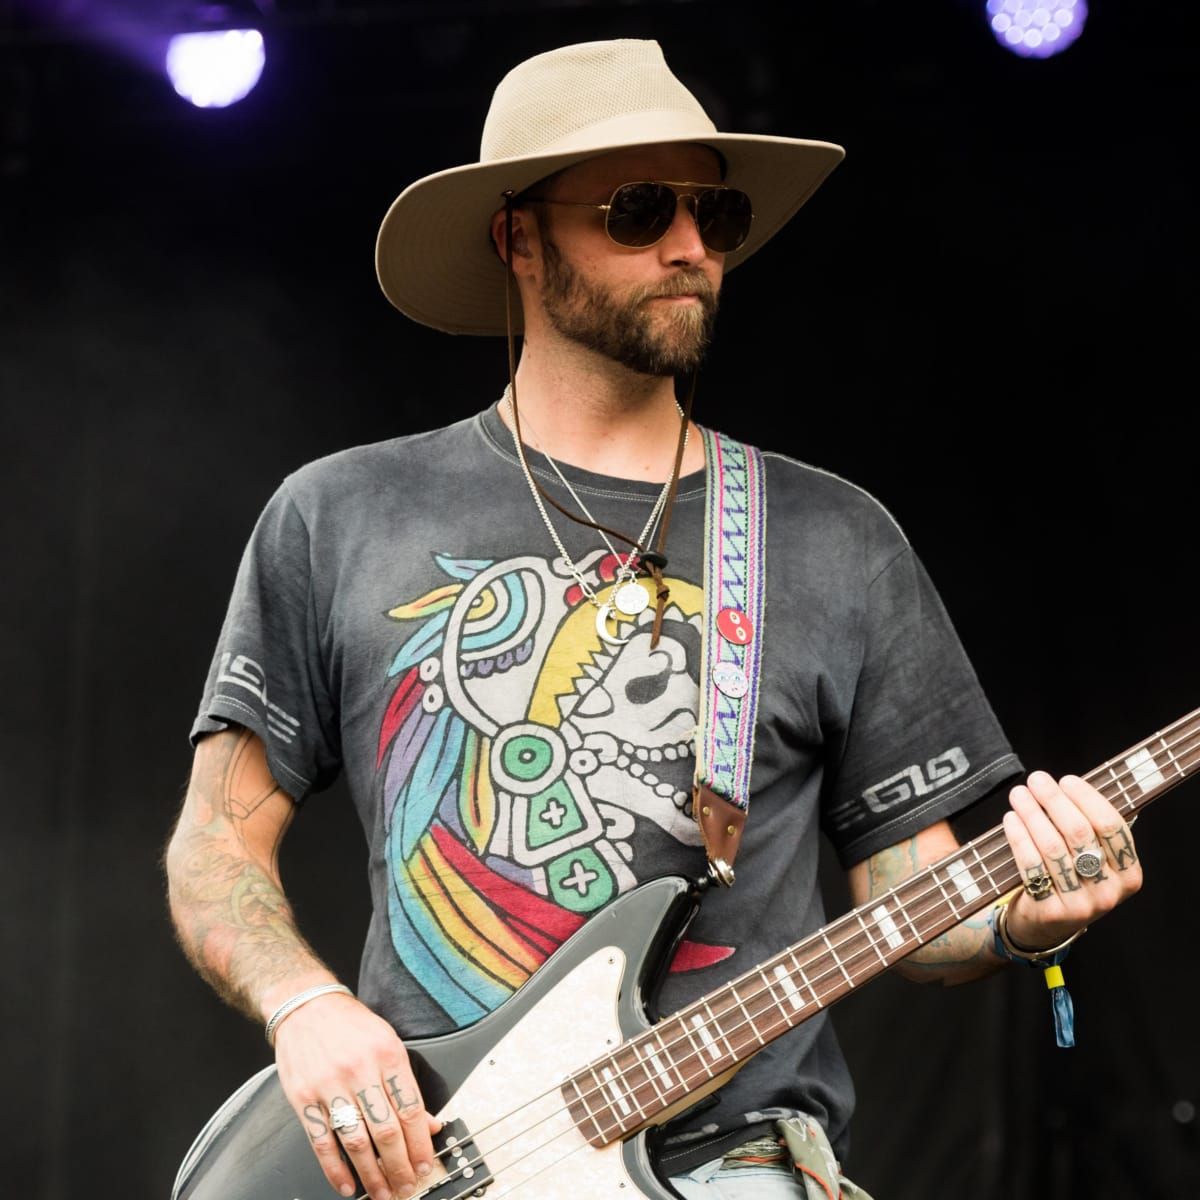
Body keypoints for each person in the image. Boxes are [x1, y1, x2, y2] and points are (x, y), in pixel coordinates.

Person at [164, 38, 1142, 1200]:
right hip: (440, 1170)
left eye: (711, 213)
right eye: (636, 210)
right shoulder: (339, 513)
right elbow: (214, 844)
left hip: (739, 1162)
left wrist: (1029, 920)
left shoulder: (832, 537)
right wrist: (307, 1005)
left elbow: (912, 913)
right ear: (517, 239)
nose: (689, 246)